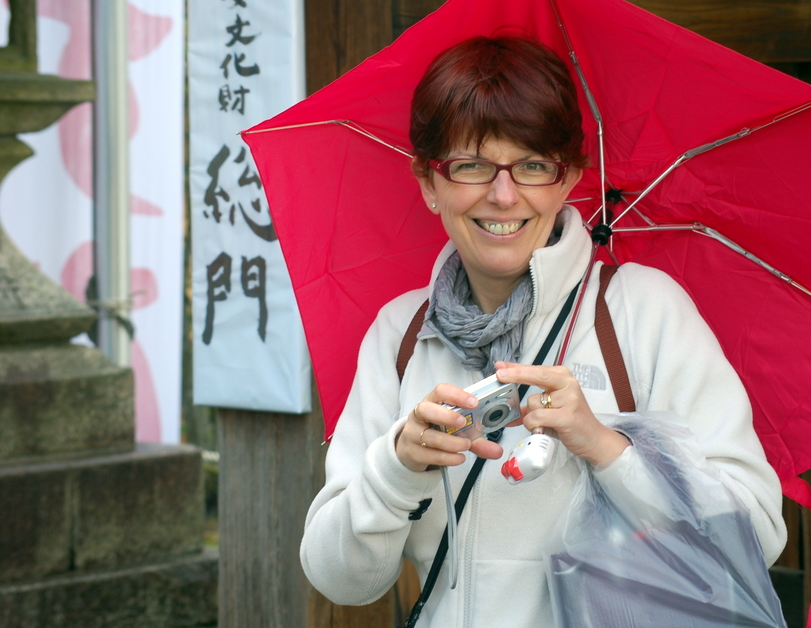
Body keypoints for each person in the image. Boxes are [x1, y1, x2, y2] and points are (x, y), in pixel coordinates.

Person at [300, 35, 786, 627]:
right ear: (429, 183)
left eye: (532, 165)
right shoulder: (402, 333)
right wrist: (398, 468)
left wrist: (605, 447)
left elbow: (756, 537)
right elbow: (340, 580)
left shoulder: (644, 313)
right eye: (471, 165)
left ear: (568, 179)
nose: (503, 195)